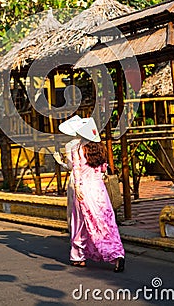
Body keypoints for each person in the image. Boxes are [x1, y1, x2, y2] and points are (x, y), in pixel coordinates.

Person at [59, 116, 125, 272]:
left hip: (84, 189)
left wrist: (77, 188)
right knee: (106, 223)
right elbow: (103, 169)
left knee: (79, 223)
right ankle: (116, 254)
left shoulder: (77, 148)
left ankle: (78, 256)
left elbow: (76, 170)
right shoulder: (100, 148)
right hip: (100, 191)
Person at [53, 115, 83, 230]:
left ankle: (76, 232)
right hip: (89, 177)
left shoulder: (70, 145)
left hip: (75, 178)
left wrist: (60, 162)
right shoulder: (88, 142)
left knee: (75, 208)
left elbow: (71, 167)